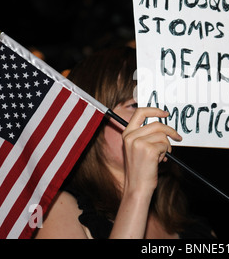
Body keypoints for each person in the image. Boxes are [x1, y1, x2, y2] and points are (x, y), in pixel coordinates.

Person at [34, 45, 216, 239]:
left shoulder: (197, 230)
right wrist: (137, 190)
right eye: (135, 105)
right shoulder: (57, 210)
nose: (159, 119)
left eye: (163, 104)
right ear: (91, 121)